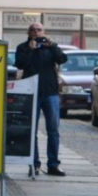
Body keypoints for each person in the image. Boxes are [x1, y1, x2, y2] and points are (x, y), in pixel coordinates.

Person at [15, 22, 68, 176]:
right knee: (32, 131)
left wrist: (52, 46)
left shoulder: (50, 47)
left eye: (39, 30)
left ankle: (53, 164)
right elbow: (20, 64)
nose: (36, 32)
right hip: (31, 93)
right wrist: (30, 50)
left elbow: (62, 59)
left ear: (44, 32)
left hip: (50, 92)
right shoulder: (23, 48)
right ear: (28, 32)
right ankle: (34, 164)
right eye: (33, 30)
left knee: (53, 130)